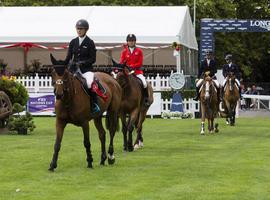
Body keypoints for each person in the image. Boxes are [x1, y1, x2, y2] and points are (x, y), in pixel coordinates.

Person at [63, 19, 100, 114]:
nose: (79, 30)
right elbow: (68, 57)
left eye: (81, 29)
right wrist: (62, 65)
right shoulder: (73, 42)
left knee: (89, 83)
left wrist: (82, 63)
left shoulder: (90, 42)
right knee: (63, 83)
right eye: (77, 29)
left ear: (86, 30)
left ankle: (94, 104)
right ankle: (61, 105)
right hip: (74, 70)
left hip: (86, 70)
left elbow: (93, 59)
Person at [119, 34, 150, 106]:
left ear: (135, 42)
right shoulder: (124, 52)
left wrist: (132, 66)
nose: (131, 42)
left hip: (137, 72)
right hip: (127, 72)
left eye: (132, 41)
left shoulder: (139, 51)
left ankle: (145, 99)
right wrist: (126, 67)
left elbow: (140, 63)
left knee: (144, 83)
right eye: (129, 41)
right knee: (119, 81)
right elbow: (121, 62)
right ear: (127, 42)